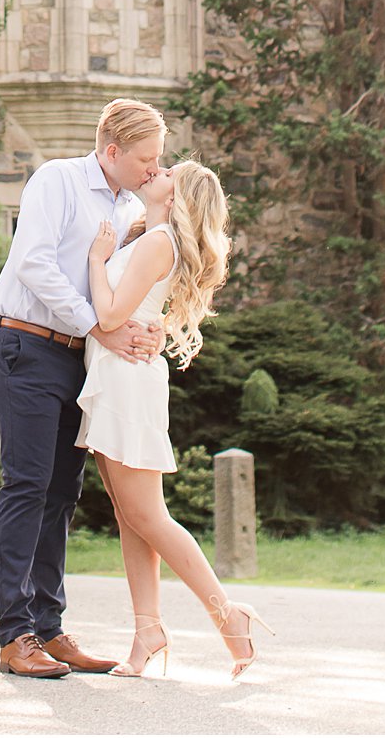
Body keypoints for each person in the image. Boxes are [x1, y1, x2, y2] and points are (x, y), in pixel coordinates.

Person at [0, 97, 169, 679]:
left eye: (158, 159)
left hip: (81, 359)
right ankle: (15, 636)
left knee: (62, 493)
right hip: (26, 345)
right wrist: (100, 325)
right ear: (111, 151)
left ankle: (49, 628)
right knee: (28, 484)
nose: (153, 169)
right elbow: (33, 264)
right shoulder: (56, 180)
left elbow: (125, 290)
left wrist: (147, 328)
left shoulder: (134, 207)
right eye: (145, 158)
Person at [79, 157, 272, 680]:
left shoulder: (158, 242)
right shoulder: (152, 239)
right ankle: (148, 630)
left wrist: (97, 260)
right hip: (121, 375)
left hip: (126, 381)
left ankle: (229, 617)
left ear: (177, 194)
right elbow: (135, 313)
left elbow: (111, 315)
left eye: (167, 171)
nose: (155, 170)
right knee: (131, 515)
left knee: (147, 516)